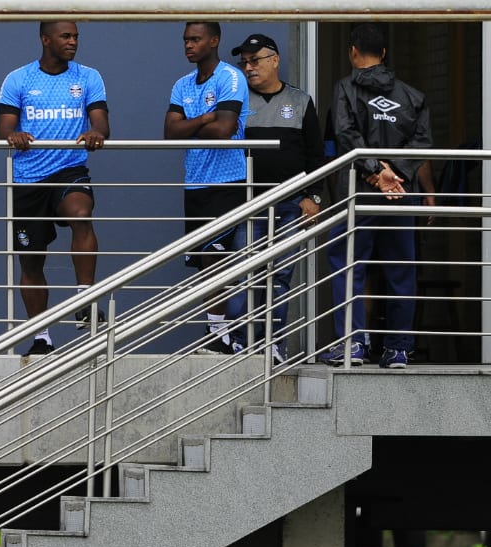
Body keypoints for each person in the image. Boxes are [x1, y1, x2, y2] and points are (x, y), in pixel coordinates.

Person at [0, 21, 110, 357]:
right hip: (28, 179)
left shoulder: (88, 76)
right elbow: (3, 127)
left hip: (69, 170)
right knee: (31, 262)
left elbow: (102, 122)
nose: (73, 42)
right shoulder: (18, 78)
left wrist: (96, 132)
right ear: (46, 40)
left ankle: (83, 296)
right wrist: (13, 135)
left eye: (75, 36)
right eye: (66, 36)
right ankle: (41, 335)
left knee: (81, 213)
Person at [321, 23, 431, 369]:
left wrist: (375, 171)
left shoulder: (345, 89)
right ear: (383, 54)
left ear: (353, 52)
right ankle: (398, 348)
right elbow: (423, 143)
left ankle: (352, 345)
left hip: (360, 194)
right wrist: (394, 173)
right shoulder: (413, 96)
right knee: (401, 271)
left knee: (348, 265)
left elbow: (345, 133)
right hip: (402, 194)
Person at [225, 34, 325, 363]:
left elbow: (315, 155)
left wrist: (314, 197)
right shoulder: (237, 100)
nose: (249, 68)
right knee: (243, 271)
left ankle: (273, 343)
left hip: (291, 203)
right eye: (245, 62)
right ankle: (240, 341)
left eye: (256, 61)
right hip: (249, 204)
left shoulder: (299, 101)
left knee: (280, 275)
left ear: (275, 61)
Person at [164, 22, 249, 354]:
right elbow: (170, 133)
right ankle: (218, 332)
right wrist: (202, 119)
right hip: (195, 181)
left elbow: (225, 129)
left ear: (214, 41)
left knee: (218, 259)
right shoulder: (182, 84)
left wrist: (190, 124)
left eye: (195, 39)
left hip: (227, 181)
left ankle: (219, 334)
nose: (188, 45)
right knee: (203, 260)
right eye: (185, 39)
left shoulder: (230, 77)